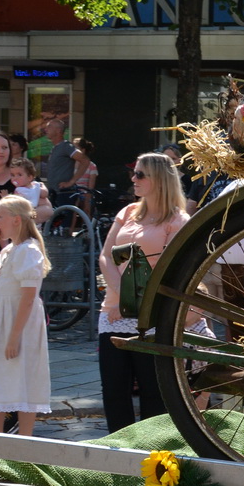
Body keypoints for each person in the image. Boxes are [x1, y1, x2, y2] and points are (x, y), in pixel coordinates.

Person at [97, 153, 190, 432]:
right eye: (134, 173)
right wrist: (123, 296)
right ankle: (116, 449)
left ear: (159, 179)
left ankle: (149, 449)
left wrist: (132, 304)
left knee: (153, 393)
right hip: (112, 312)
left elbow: (169, 271)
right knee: (114, 391)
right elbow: (106, 256)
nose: (133, 179)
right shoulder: (127, 213)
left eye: (140, 174)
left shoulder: (178, 220)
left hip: (152, 317)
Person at [0, 196, 51, 435]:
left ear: (16, 220)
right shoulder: (10, 249)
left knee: (24, 380)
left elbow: (28, 297)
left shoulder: (28, 251)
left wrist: (14, 336)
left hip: (20, 323)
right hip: (3, 321)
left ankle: (24, 440)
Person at [8, 157, 51, 223]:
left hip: (35, 213)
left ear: (30, 177)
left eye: (19, 175)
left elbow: (44, 194)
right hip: (29, 213)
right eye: (12, 175)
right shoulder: (19, 190)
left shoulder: (35, 185)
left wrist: (43, 187)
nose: (15, 178)